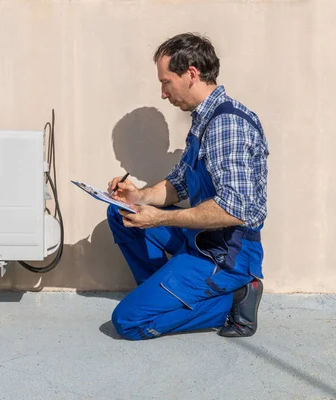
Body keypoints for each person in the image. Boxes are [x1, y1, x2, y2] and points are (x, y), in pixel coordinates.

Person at [106, 33, 269, 340]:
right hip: (201, 238)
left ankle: (234, 299)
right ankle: (164, 295)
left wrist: (159, 217)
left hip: (225, 256)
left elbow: (236, 209)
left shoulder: (227, 124)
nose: (163, 93)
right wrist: (138, 196)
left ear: (191, 74)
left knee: (127, 322)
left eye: (166, 82)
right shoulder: (202, 121)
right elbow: (178, 184)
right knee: (120, 213)